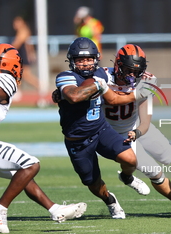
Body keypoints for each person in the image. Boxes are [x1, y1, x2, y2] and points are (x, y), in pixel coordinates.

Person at [0, 43, 87, 234]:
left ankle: (55, 210)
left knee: (20, 175)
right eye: (18, 64)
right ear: (12, 64)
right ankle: (0, 207)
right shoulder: (6, 79)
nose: (20, 69)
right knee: (32, 165)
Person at [53, 37, 151, 219]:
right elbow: (74, 96)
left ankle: (127, 177)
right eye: (80, 60)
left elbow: (114, 97)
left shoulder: (101, 74)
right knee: (92, 182)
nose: (85, 64)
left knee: (131, 160)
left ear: (96, 59)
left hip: (100, 130)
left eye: (89, 59)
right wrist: (95, 84)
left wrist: (141, 86)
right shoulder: (66, 77)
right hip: (78, 140)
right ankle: (110, 201)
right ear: (72, 61)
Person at [100, 44, 171, 215]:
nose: (132, 75)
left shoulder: (147, 81)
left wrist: (138, 132)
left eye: (136, 71)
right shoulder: (102, 77)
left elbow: (145, 120)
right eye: (128, 70)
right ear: (117, 66)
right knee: (154, 171)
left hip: (136, 126)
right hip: (113, 134)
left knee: (168, 156)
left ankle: (125, 175)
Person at [11, 16, 40, 100]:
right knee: (18, 74)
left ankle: (39, 86)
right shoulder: (21, 31)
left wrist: (6, 49)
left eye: (17, 22)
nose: (15, 24)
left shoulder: (23, 31)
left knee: (25, 75)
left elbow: (17, 44)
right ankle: (17, 91)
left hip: (23, 56)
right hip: (21, 55)